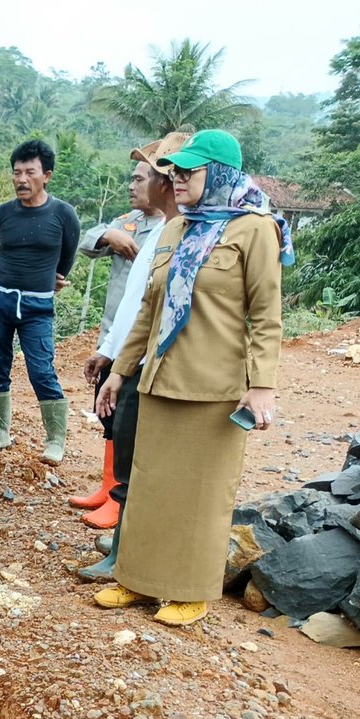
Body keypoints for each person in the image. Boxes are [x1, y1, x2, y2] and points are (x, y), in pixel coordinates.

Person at [93, 129, 292, 625]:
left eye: (188, 172)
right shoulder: (179, 227)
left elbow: (266, 314)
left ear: (219, 173)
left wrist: (262, 384)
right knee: (151, 486)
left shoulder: (254, 229)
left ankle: (189, 590)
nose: (177, 180)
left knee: (201, 492)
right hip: (160, 378)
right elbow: (149, 310)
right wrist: (121, 372)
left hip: (214, 387)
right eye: (174, 172)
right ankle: (137, 581)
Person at [75, 132, 187, 582]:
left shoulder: (181, 233)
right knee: (123, 440)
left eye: (145, 174)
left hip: (153, 361)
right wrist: (110, 354)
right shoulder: (150, 227)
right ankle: (124, 542)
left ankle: (132, 551)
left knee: (140, 455)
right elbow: (135, 306)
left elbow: (151, 308)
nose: (134, 184)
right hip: (130, 355)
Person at [68, 153, 168, 529]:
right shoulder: (130, 222)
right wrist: (110, 235)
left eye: (139, 179)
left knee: (128, 418)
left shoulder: (170, 229)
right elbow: (88, 241)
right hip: (114, 332)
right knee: (109, 414)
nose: (131, 186)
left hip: (140, 340)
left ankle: (120, 498)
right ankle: (108, 488)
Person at [0, 138, 80, 464]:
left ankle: (55, 440)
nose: (21, 179)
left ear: (46, 175)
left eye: (29, 172)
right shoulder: (3, 214)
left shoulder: (64, 215)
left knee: (40, 368)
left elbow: (66, 259)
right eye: (16, 172)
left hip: (37, 306)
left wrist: (50, 277)